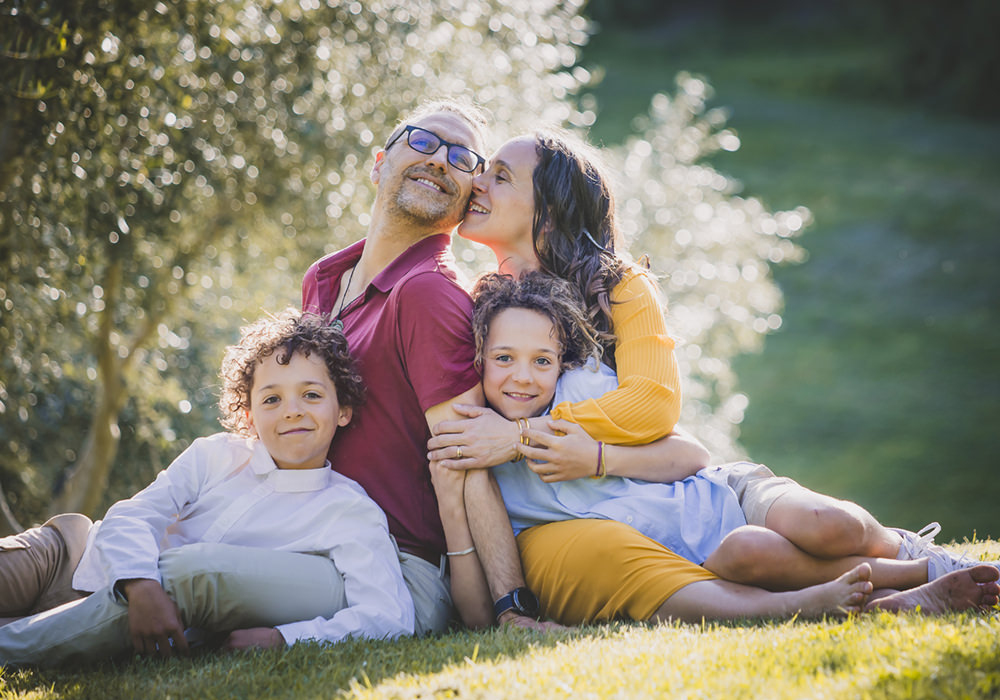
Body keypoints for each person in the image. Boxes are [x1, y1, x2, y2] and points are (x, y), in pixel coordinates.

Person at [427, 130, 1000, 621]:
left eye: (500, 176)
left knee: (828, 525)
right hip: (627, 519)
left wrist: (527, 436)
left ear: (549, 211)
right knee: (755, 556)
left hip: (695, 491)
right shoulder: (478, 310)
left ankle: (913, 552)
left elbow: (653, 406)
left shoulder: (617, 288)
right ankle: (907, 591)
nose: (478, 183)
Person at [442, 270, 1000, 625]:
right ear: (479, 359)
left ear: (560, 364)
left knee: (763, 542)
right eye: (504, 359)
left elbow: (691, 456)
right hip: (689, 563)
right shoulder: (483, 455)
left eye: (541, 361)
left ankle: (917, 573)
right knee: (748, 554)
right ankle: (906, 590)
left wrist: (596, 457)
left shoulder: (581, 392)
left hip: (710, 510)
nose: (523, 377)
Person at [0, 310, 413, 667]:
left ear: (343, 410)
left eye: (311, 394)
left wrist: (285, 638)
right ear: (249, 416)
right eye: (271, 399)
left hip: (108, 621)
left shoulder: (348, 510)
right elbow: (131, 515)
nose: (292, 411)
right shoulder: (215, 455)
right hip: (67, 556)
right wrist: (141, 585)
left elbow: (388, 615)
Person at [301, 100, 548, 632]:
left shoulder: (428, 293)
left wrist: (510, 606)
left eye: (461, 158)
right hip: (312, 533)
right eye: (422, 141)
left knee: (191, 579)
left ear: (467, 201)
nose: (439, 159)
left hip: (394, 565)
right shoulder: (325, 278)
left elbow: (467, 454)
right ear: (378, 164)